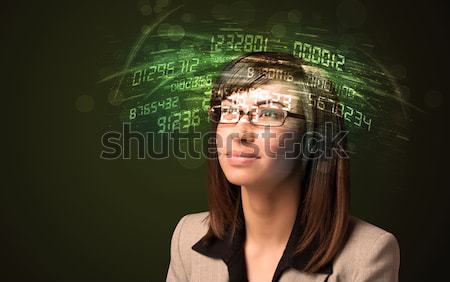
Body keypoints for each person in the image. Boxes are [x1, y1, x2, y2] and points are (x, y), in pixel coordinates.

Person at [166, 52, 400, 282]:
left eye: (269, 113)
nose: (239, 132)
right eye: (229, 110)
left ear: (313, 138)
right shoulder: (187, 236)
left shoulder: (369, 254)